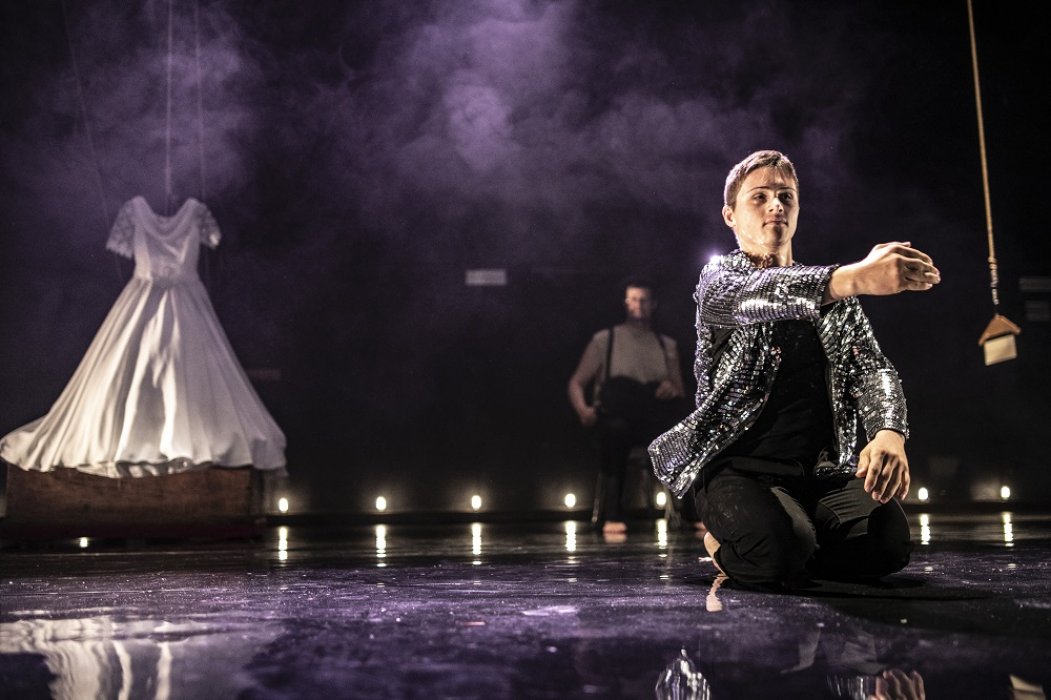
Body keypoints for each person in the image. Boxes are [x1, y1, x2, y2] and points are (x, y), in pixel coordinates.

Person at [648, 150, 940, 588]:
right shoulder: (719, 281)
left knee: (888, 544)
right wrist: (857, 277)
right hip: (738, 471)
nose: (775, 205)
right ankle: (731, 543)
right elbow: (762, 294)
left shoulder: (833, 294)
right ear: (730, 215)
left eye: (786, 196)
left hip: (818, 472)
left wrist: (888, 433)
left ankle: (800, 540)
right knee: (777, 552)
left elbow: (871, 368)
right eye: (759, 197)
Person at [568, 279, 686, 535]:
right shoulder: (605, 339)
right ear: (625, 303)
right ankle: (612, 513)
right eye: (633, 299)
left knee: (680, 433)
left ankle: (691, 511)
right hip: (617, 416)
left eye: (643, 300)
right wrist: (584, 411)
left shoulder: (666, 344)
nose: (638, 305)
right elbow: (577, 382)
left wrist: (670, 388)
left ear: (653, 304)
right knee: (616, 432)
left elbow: (680, 390)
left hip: (652, 415)